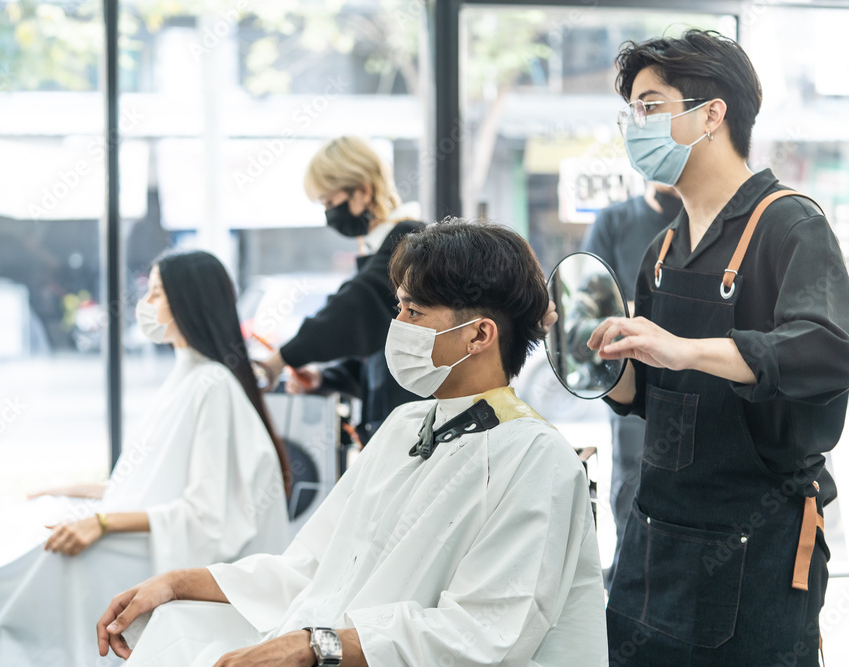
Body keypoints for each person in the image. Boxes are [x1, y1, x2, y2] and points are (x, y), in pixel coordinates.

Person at [95, 220, 607, 667]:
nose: (397, 326)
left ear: (479, 336)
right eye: (399, 307)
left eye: (414, 311)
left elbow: (484, 632)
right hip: (329, 641)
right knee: (173, 628)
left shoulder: (537, 459)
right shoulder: (407, 426)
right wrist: (176, 583)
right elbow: (312, 569)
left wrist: (315, 646)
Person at [589, 30, 849, 665]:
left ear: (711, 114)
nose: (636, 125)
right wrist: (600, 353)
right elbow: (643, 396)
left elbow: (826, 350)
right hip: (653, 541)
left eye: (651, 105)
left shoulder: (791, 224)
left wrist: (685, 348)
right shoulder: (663, 249)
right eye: (632, 111)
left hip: (755, 545)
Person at [0, 250, 292, 667]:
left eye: (157, 293)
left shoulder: (212, 385)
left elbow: (207, 516)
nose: (146, 305)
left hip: (164, 555)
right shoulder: (188, 374)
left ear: (188, 299)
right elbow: (156, 482)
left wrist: (101, 521)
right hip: (137, 530)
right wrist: (77, 492)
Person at [257, 136, 423, 443]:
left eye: (330, 203)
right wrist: (325, 378)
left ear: (362, 191)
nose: (328, 215)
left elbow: (357, 306)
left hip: (414, 428)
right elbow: (380, 351)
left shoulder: (409, 243)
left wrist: (283, 358)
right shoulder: (378, 250)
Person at [581, 181, 682, 586]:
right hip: (637, 387)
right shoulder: (616, 222)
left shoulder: (716, 227)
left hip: (709, 390)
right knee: (632, 491)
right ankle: (627, 586)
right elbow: (586, 313)